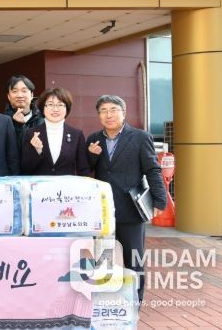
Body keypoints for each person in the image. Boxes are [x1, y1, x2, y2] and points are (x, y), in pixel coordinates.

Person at [85, 95, 167, 303]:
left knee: (134, 260)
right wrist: (92, 155)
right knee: (103, 259)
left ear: (124, 113)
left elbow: (152, 169)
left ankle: (134, 303)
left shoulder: (140, 137)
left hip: (131, 209)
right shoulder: (93, 139)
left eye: (113, 110)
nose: (108, 115)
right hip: (102, 212)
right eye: (103, 111)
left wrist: (159, 200)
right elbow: (86, 170)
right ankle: (105, 303)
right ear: (99, 115)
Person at [20, 87, 89, 176]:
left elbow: (83, 169)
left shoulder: (76, 135)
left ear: (66, 109)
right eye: (50, 104)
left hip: (66, 185)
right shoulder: (31, 134)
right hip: (40, 184)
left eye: (60, 105)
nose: (55, 109)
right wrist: (37, 151)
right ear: (43, 108)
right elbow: (25, 168)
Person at [5, 75, 44, 153]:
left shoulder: (43, 119)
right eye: (14, 91)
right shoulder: (2, 122)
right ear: (9, 96)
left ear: (32, 95)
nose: (19, 95)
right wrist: (17, 126)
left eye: (24, 91)